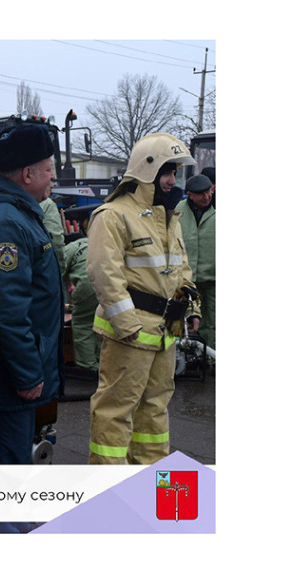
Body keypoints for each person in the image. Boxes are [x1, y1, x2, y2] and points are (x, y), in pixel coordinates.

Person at [86, 133, 201, 465]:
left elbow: (182, 270)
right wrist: (126, 325)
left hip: (164, 332)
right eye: (166, 171)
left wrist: (190, 309)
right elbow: (104, 273)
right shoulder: (113, 215)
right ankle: (108, 493)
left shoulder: (169, 217)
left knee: (155, 412)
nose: (171, 179)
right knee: (116, 412)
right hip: (131, 334)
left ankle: (150, 487)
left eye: (175, 172)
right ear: (145, 170)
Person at [0, 123, 64, 469]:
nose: (53, 178)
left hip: (17, 369)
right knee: (7, 462)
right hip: (11, 377)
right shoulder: (6, 222)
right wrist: (28, 375)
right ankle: (1, 524)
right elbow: (7, 308)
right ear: (27, 173)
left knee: (13, 457)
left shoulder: (16, 213)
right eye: (49, 170)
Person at [176, 173, 215, 349]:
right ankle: (184, 355)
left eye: (209, 192)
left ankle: (211, 359)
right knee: (183, 320)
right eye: (202, 194)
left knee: (213, 321)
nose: (207, 197)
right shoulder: (178, 211)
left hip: (213, 279)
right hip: (185, 279)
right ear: (190, 194)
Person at [63, 233, 101, 371]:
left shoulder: (69, 248)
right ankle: (102, 363)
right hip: (110, 284)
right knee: (102, 325)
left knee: (82, 325)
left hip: (88, 285)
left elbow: (58, 271)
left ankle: (88, 367)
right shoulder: (95, 241)